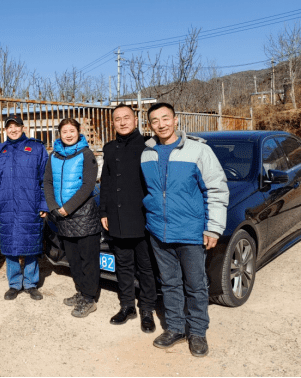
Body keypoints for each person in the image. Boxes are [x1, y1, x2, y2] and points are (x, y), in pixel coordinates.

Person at [141, 102, 228, 357]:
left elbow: (216, 188)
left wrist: (213, 228)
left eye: (165, 118)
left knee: (196, 285)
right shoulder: (147, 154)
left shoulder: (198, 150)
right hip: (159, 231)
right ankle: (176, 328)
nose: (161, 124)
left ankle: (198, 332)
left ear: (176, 120)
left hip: (190, 231)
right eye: (155, 120)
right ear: (150, 125)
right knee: (169, 283)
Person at [100, 104, 157, 332]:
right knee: (123, 265)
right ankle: (127, 306)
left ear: (135, 120)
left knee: (145, 266)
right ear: (112, 123)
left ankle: (147, 309)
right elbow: (106, 182)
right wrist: (104, 211)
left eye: (126, 118)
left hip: (142, 217)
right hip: (117, 216)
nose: (122, 122)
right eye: (117, 119)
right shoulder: (109, 148)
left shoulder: (148, 146)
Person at [0, 115, 48, 301]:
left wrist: (44, 203)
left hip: (30, 204)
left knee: (31, 243)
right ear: (5, 130)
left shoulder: (36, 148)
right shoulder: (0, 151)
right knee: (10, 244)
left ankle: (30, 283)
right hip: (7, 205)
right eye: (9, 127)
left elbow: (45, 179)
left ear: (23, 128)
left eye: (16, 126)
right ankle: (14, 284)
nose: (13, 130)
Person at [43, 118, 101, 317]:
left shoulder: (86, 154)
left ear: (78, 132)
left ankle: (89, 298)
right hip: (62, 217)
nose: (68, 135)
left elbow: (88, 185)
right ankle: (81, 292)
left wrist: (67, 208)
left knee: (88, 260)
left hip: (83, 216)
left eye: (72, 131)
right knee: (73, 260)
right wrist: (53, 206)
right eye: (64, 131)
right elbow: (47, 182)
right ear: (59, 134)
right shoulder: (54, 156)